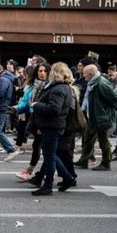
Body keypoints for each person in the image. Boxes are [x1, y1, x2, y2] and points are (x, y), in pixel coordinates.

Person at [28, 62, 76, 195]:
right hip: (52, 126)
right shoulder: (62, 87)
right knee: (51, 155)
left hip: (52, 126)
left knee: (49, 158)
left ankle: (48, 185)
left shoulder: (58, 88)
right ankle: (68, 177)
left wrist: (37, 105)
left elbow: (54, 109)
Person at [74, 64, 117, 171]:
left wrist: (105, 112)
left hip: (101, 118)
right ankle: (83, 161)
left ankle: (106, 163)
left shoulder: (101, 84)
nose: (83, 75)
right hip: (93, 116)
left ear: (91, 73)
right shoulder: (93, 82)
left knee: (103, 140)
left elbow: (116, 100)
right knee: (88, 138)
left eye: (84, 73)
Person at [12, 63, 49, 182]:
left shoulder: (51, 86)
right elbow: (25, 102)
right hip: (35, 119)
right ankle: (35, 171)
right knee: (37, 146)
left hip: (47, 121)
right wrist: (16, 108)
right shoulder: (33, 87)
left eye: (44, 71)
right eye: (40, 71)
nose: (42, 73)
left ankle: (47, 172)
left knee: (48, 148)